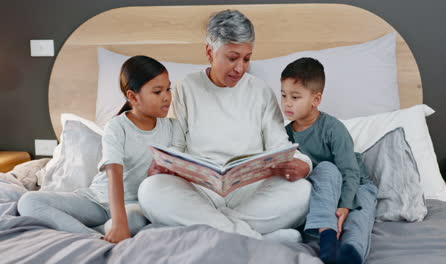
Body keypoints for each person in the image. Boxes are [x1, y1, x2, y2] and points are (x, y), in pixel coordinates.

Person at [138, 9, 312, 242]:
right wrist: (163, 165)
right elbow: (176, 146)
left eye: (247, 58)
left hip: (251, 192)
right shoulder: (185, 88)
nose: (240, 68)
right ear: (209, 52)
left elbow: (280, 147)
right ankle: (255, 238)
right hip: (200, 192)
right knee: (150, 189)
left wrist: (304, 165)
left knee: (303, 191)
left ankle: (214, 229)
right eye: (232, 58)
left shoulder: (260, 91)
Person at [18, 55, 184, 243]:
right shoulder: (117, 127)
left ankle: (105, 230)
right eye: (157, 91)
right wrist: (119, 224)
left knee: (135, 221)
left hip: (135, 206)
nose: (167, 96)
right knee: (30, 201)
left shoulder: (173, 128)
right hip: (96, 200)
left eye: (168, 89)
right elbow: (114, 173)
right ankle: (94, 238)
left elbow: (175, 171)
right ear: (132, 96)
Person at [280, 57, 378, 264]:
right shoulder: (284, 134)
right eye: (283, 95)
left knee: (359, 218)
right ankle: (327, 239)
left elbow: (350, 171)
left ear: (316, 100)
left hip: (356, 185)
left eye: (295, 97)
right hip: (323, 190)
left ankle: (351, 253)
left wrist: (345, 206)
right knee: (324, 170)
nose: (287, 103)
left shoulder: (333, 129)